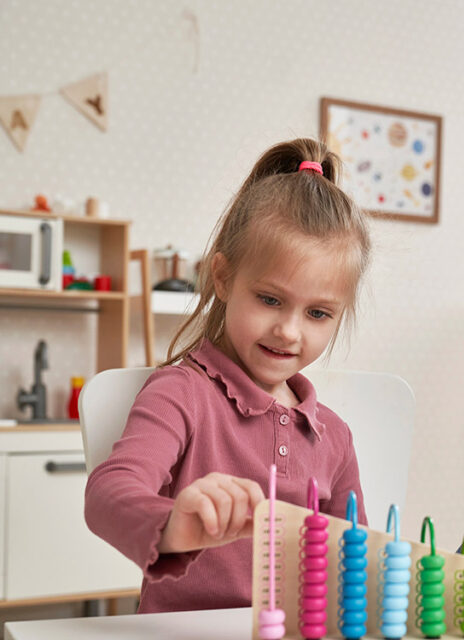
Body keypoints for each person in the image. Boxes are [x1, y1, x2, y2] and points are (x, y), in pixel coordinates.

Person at [84, 138, 372, 613]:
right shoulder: (182, 393)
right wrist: (174, 522)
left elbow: (355, 563)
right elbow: (108, 494)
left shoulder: (335, 437)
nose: (289, 331)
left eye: (318, 313)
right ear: (222, 276)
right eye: (270, 299)